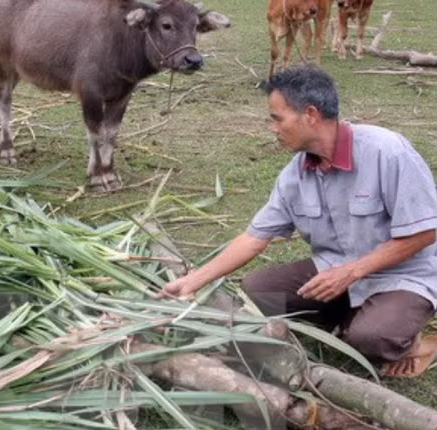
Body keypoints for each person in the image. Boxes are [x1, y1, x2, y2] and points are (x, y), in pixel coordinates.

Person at [162, 66, 437, 378]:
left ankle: (409, 339)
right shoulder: (295, 174)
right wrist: (193, 281)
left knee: (370, 338)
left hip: (403, 275)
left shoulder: (387, 152)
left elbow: (424, 233)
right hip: (336, 268)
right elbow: (255, 238)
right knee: (258, 291)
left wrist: (351, 272)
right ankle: (353, 318)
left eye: (277, 118)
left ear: (310, 115)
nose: (273, 128)